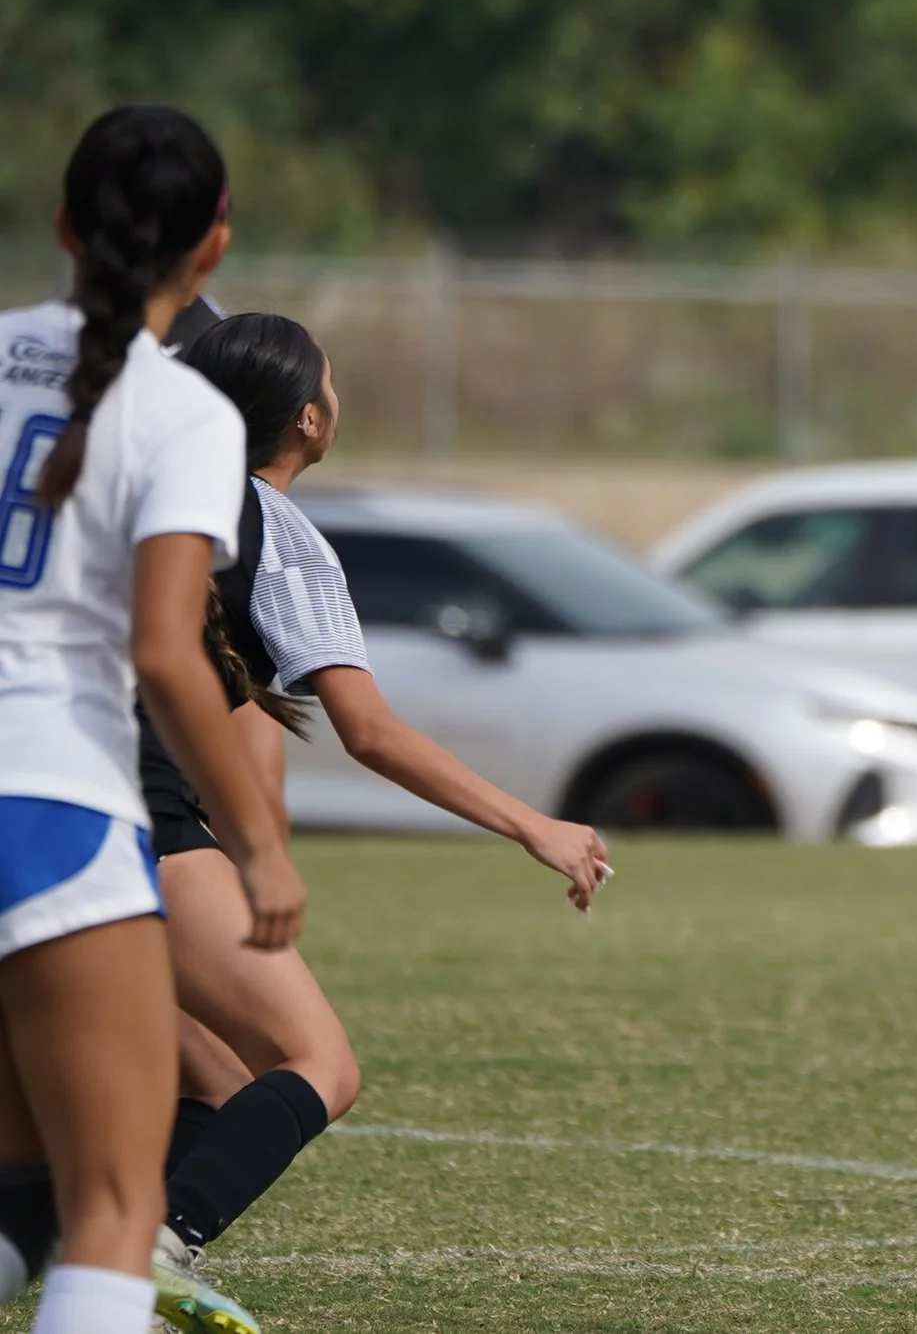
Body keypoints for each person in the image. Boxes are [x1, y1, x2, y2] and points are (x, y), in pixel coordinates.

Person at [130, 312, 611, 1267]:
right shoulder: (279, 533)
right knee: (319, 1064)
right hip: (121, 810)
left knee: (219, 1081)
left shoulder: (128, 492)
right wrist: (532, 823)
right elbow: (372, 732)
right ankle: (150, 1248)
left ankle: (116, 1253)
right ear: (310, 419)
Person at [0, 105, 306, 1334]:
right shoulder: (184, 415)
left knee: (19, 1183)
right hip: (52, 802)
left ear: (65, 224)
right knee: (117, 1206)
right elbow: (166, 653)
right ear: (216, 243)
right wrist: (259, 842)